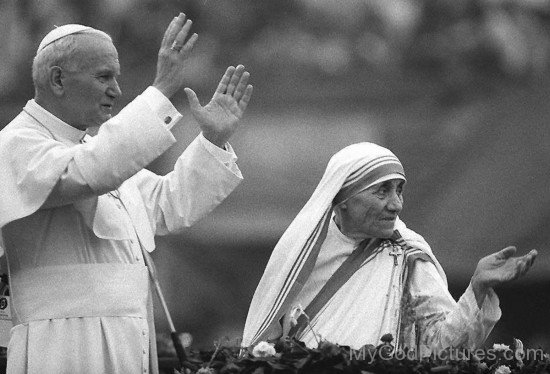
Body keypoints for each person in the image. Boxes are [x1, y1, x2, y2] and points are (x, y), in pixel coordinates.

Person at [0, 14, 253, 374]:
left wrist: (212, 140)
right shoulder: (17, 144)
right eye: (104, 76)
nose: (116, 90)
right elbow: (90, 172)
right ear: (58, 79)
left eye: (116, 77)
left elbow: (170, 205)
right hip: (61, 345)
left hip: (128, 337)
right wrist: (160, 90)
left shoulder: (94, 148)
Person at [242, 142, 537, 354]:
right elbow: (264, 344)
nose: (396, 204)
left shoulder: (408, 254)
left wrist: (478, 289)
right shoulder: (300, 252)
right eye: (382, 191)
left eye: (399, 190)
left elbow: (444, 346)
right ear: (342, 198)